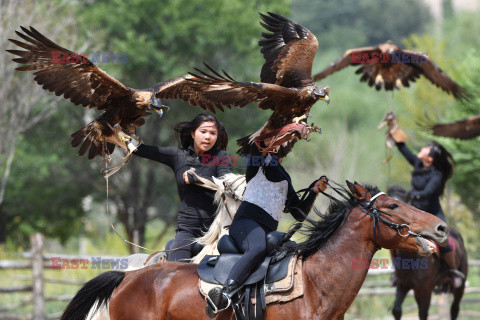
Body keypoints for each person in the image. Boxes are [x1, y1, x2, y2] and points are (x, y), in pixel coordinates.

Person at [205, 142, 327, 317]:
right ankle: (225, 293)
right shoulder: (258, 163)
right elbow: (257, 144)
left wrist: (314, 191)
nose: (287, 145)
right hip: (245, 223)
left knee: (292, 250)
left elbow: (299, 213)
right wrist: (274, 130)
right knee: (257, 247)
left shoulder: (285, 176)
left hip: (266, 230)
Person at [122, 113, 233, 262]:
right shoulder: (177, 155)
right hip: (187, 229)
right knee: (174, 272)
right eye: (203, 132)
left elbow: (226, 185)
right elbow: (139, 149)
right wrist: (118, 135)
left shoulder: (221, 157)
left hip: (216, 230)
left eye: (213, 133)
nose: (208, 137)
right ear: (193, 133)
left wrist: (199, 180)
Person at [394, 138, 464, 287]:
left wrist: (413, 194)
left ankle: (452, 271)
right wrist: (395, 135)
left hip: (432, 213)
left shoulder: (437, 175)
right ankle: (399, 274)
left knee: (443, 240)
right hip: (416, 211)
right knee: (396, 233)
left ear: (430, 158)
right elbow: (405, 151)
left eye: (427, 148)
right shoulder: (419, 164)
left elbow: (428, 191)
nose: (424, 148)